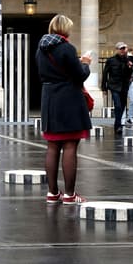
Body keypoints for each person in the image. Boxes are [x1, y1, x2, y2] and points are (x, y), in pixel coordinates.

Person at [36, 14, 91, 205]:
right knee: (70, 145)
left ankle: (52, 193)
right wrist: (85, 63)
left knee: (52, 146)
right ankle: (69, 194)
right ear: (65, 29)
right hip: (68, 98)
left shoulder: (40, 49)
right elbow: (79, 75)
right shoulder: (67, 48)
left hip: (49, 98)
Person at [101, 42, 133, 134]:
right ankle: (118, 125)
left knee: (123, 106)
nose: (122, 50)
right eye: (120, 49)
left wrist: (130, 67)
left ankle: (118, 123)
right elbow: (105, 74)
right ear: (117, 49)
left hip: (124, 86)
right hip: (114, 86)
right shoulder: (111, 60)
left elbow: (130, 74)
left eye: (124, 48)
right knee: (118, 105)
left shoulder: (128, 60)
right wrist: (104, 88)